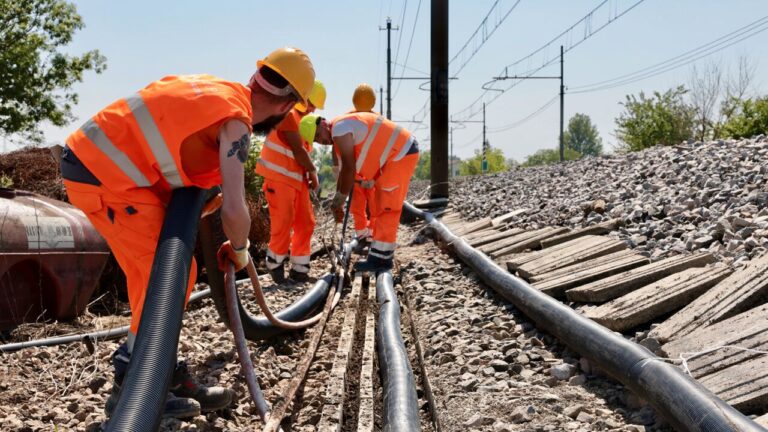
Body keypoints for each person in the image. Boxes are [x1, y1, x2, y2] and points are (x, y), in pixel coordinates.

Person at [59, 47, 315, 418]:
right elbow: (234, 207)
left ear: (257, 76)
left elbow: (168, 147)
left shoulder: (221, 91)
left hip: (108, 168)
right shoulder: (236, 121)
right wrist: (240, 251)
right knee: (161, 276)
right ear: (286, 107)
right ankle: (134, 381)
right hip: (106, 175)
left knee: (169, 273)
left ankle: (165, 372)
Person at [324, 110, 419, 273]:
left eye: (318, 137)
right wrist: (337, 201)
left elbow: (348, 168)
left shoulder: (339, 129)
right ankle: (380, 256)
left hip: (400, 154)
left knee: (388, 207)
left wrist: (339, 200)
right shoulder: (342, 127)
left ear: (322, 125)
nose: (322, 142)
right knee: (384, 205)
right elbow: (343, 172)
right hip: (396, 156)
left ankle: (381, 259)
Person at [255, 82, 333, 282]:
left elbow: (302, 154)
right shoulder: (288, 115)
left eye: (315, 107)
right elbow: (298, 152)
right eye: (312, 103)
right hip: (279, 180)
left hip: (296, 183)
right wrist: (313, 173)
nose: (313, 109)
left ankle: (300, 269)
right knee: (284, 221)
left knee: (306, 223)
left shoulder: (305, 124)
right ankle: (275, 264)